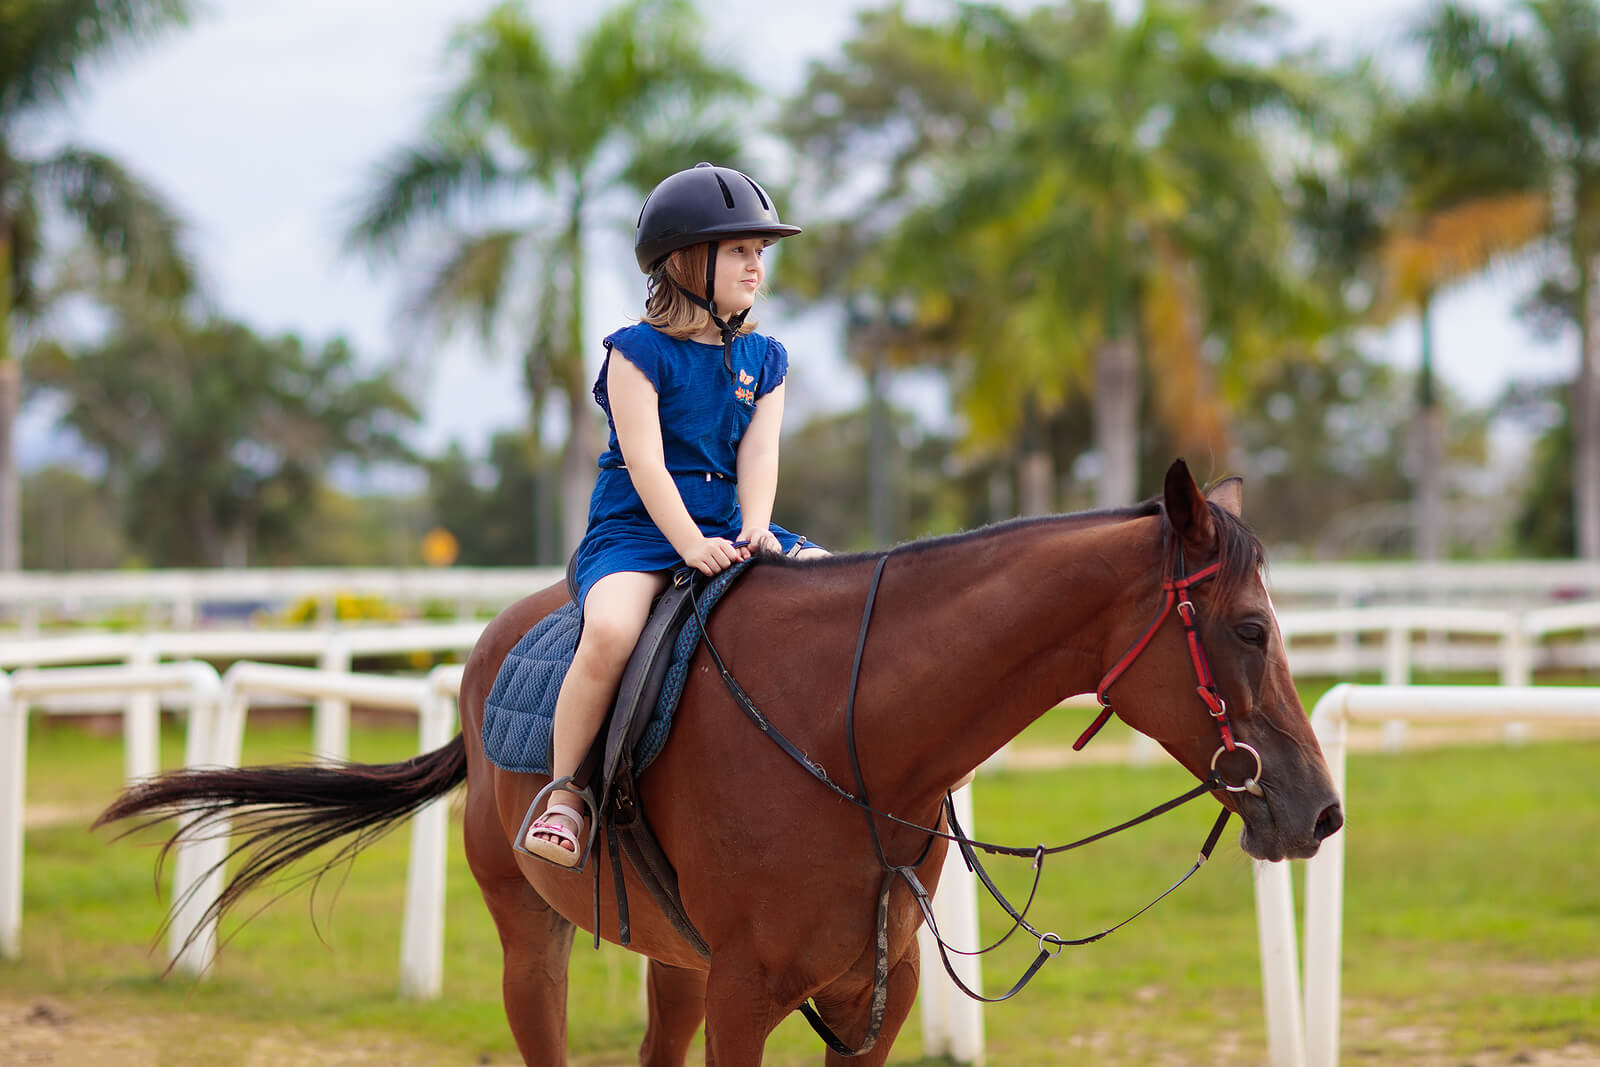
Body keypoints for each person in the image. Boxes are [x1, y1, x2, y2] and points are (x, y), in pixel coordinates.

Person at [523, 162, 827, 869]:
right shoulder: (636, 353)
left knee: (831, 585)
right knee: (610, 632)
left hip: (727, 525)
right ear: (690, 260)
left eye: (761, 253)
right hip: (638, 534)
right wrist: (688, 545)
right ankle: (566, 792)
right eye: (741, 251)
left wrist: (756, 527)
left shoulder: (766, 357)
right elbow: (647, 465)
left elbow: (760, 455)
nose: (757, 266)